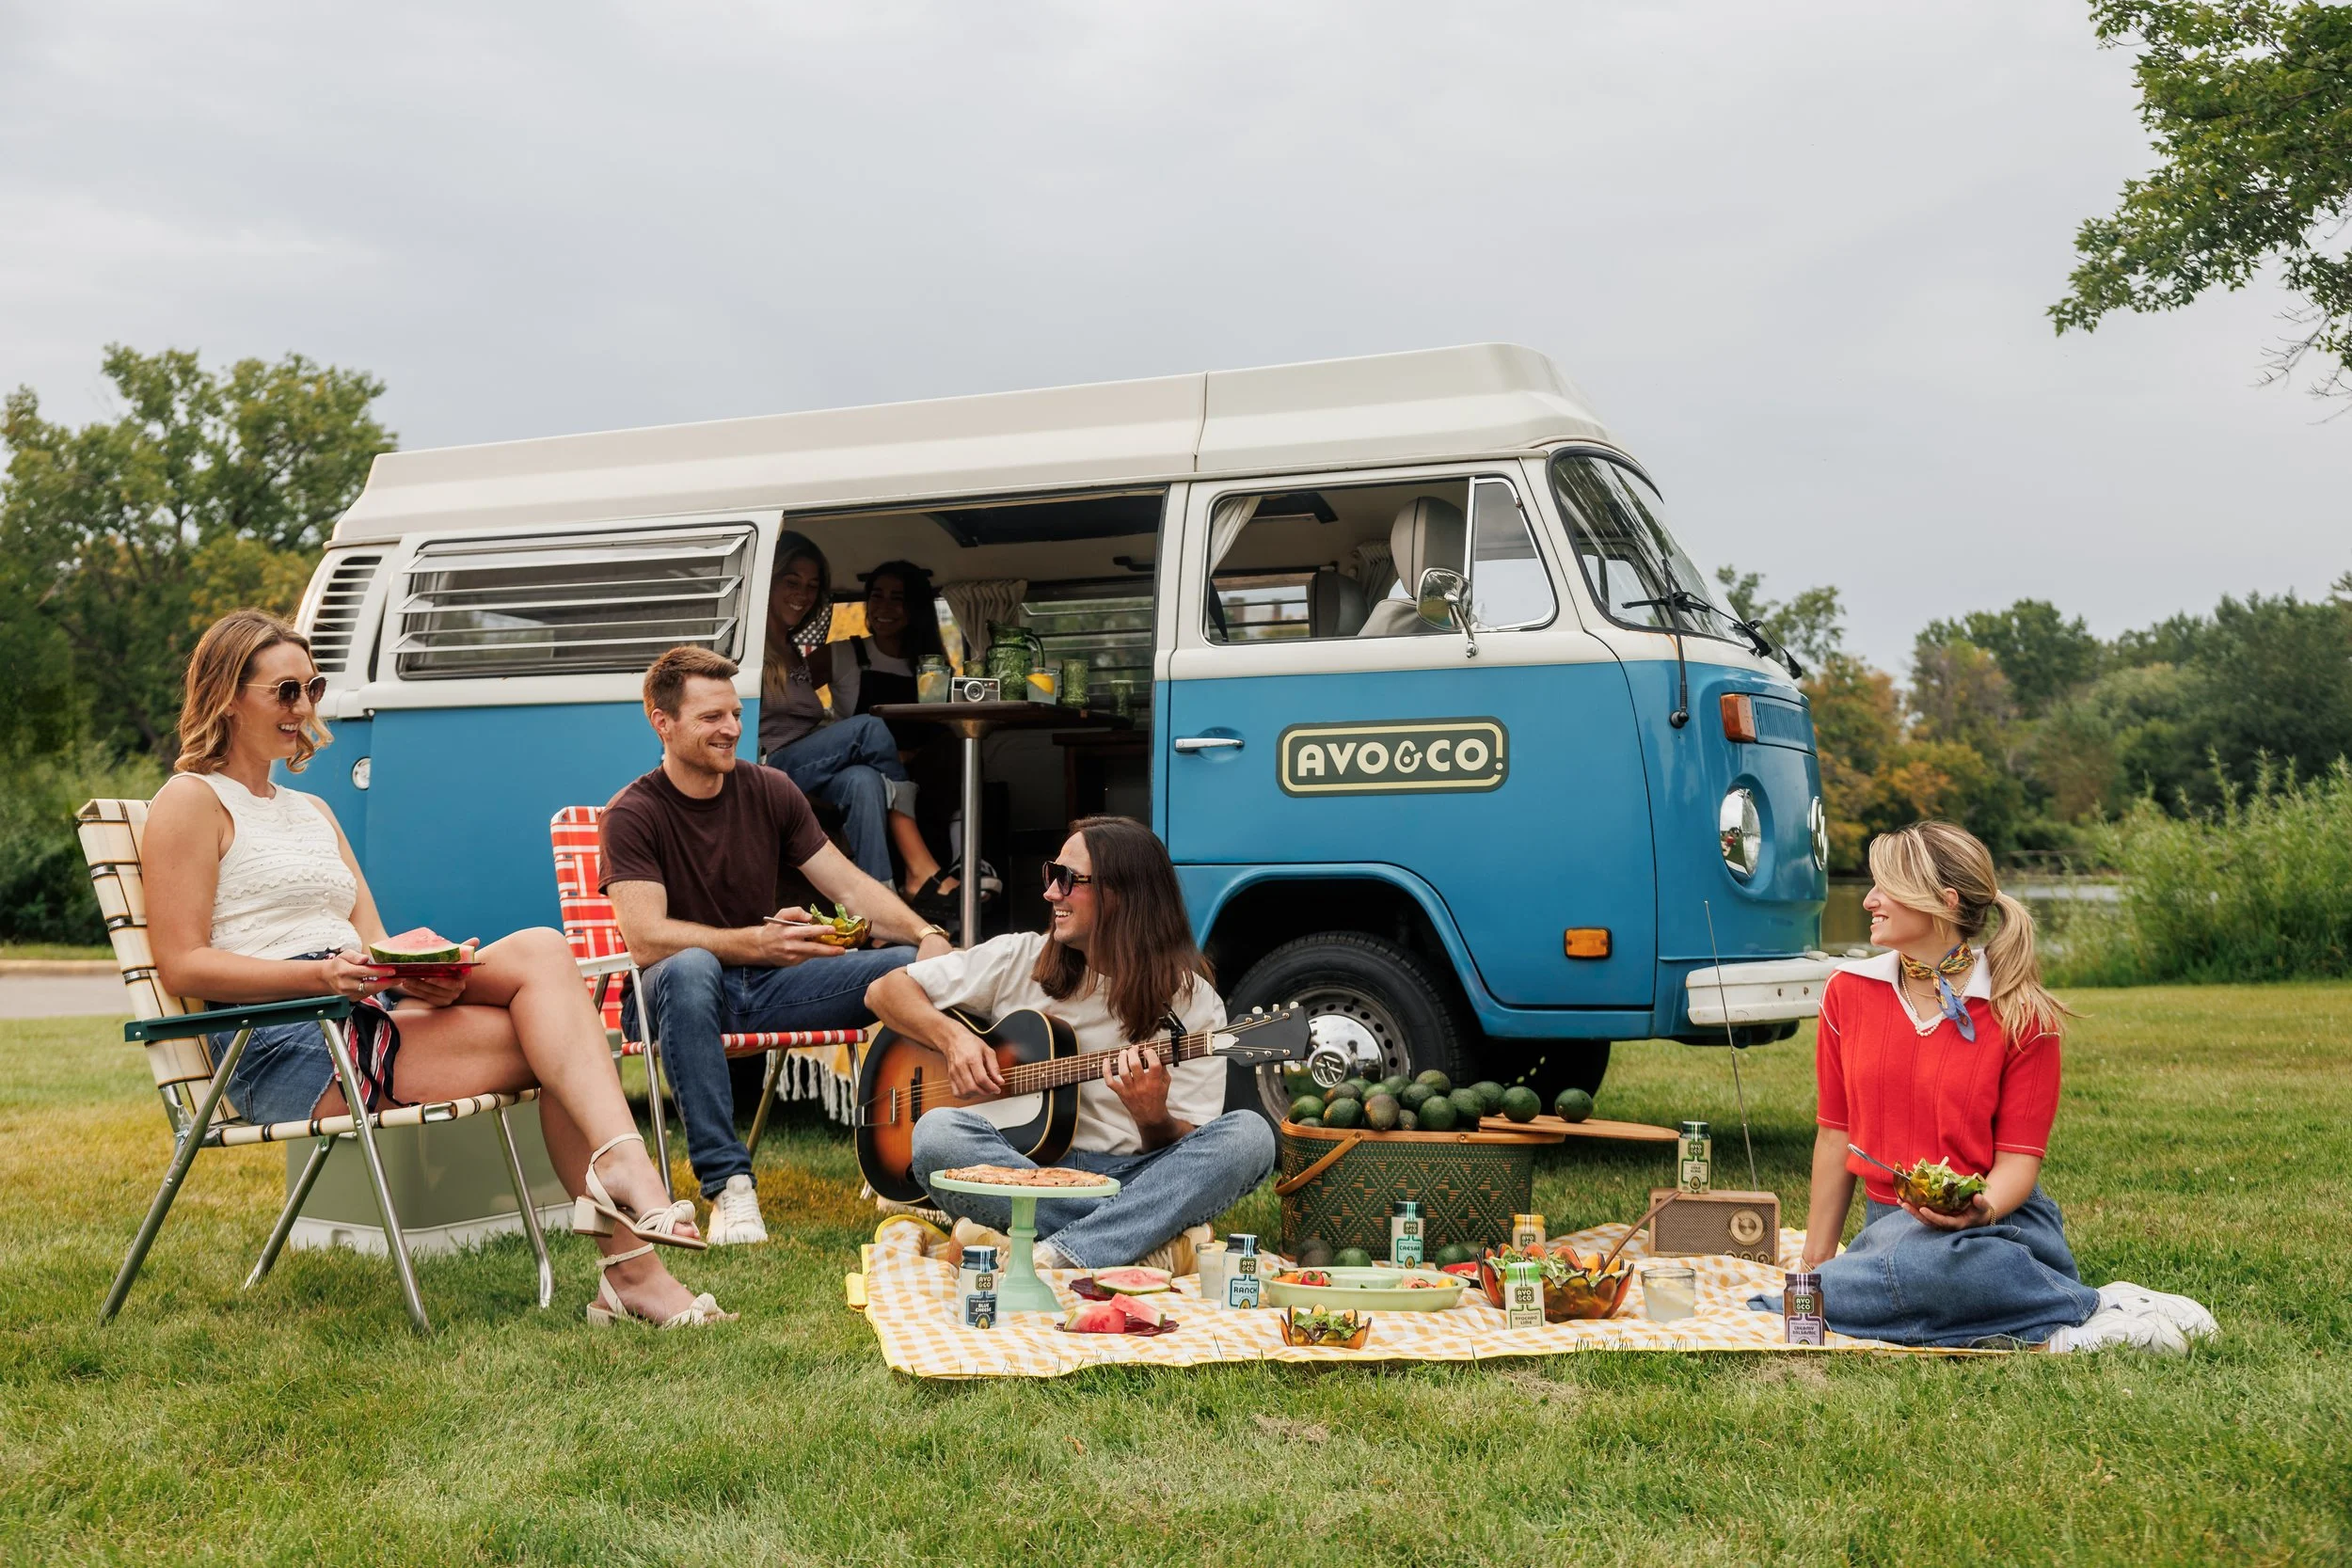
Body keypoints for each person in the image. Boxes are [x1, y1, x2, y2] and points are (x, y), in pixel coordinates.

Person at [143, 610, 729, 1329]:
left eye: (314, 688)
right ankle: (632, 1255)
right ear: (230, 697)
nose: (304, 708)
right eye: (285, 691)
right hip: (286, 1038)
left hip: (359, 1003)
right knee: (567, 1048)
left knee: (543, 951)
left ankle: (625, 1198)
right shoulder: (190, 800)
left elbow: (374, 938)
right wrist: (320, 978)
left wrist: (422, 970)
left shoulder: (313, 811)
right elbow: (182, 961)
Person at [1774, 820, 2217, 1353]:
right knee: (1827, 1296)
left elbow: (2019, 1162)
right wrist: (1814, 1263)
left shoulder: (2022, 1013)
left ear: (1942, 900)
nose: (1869, 900)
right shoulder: (1848, 993)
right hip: (1891, 1228)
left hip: (2001, 1227)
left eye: (1884, 887)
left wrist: (1979, 1208)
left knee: (1919, 1274)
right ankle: (2081, 1316)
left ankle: (2079, 1313)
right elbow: (1834, 1135)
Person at [602, 644, 956, 1245]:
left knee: (907, 970)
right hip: (671, 995)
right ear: (662, 722)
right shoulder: (633, 813)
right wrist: (759, 943)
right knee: (690, 965)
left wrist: (927, 936)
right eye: (712, 717)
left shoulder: (770, 790)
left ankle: (925, 1166)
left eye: (735, 714)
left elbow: (847, 884)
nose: (732, 729)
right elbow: (645, 939)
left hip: (763, 987)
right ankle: (729, 1191)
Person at [866, 816, 1277, 1275]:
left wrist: (1153, 1118)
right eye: (1050, 875)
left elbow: (1191, 1147)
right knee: (936, 1134)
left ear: (1123, 894)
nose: (1050, 893)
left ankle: (1049, 1250)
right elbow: (884, 990)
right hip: (1020, 1170)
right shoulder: (1018, 957)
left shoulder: (1192, 1001)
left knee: (1250, 1137)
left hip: (1134, 1177)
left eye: (1066, 880)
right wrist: (954, 1038)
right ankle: (1138, 1237)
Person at [759, 534, 962, 923]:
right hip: (767, 768)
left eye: (812, 586)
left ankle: (877, 914)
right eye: (792, 582)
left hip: (808, 767)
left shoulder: (792, 649)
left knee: (864, 780)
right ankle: (918, 866)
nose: (802, 594)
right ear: (769, 584)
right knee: (869, 728)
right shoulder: (753, 649)